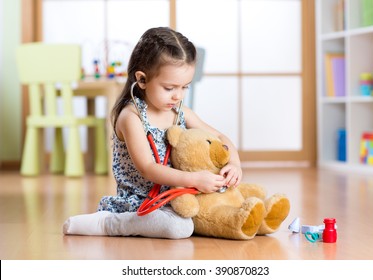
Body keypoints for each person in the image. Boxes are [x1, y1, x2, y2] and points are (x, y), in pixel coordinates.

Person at [63, 27, 242, 239]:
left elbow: (221, 138)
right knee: (179, 228)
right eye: (169, 88)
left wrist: (234, 164)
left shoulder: (181, 112)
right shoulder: (132, 118)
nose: (178, 95)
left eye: (185, 87)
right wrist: (193, 179)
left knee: (229, 204)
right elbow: (148, 168)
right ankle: (109, 223)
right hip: (143, 201)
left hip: (177, 196)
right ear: (142, 80)